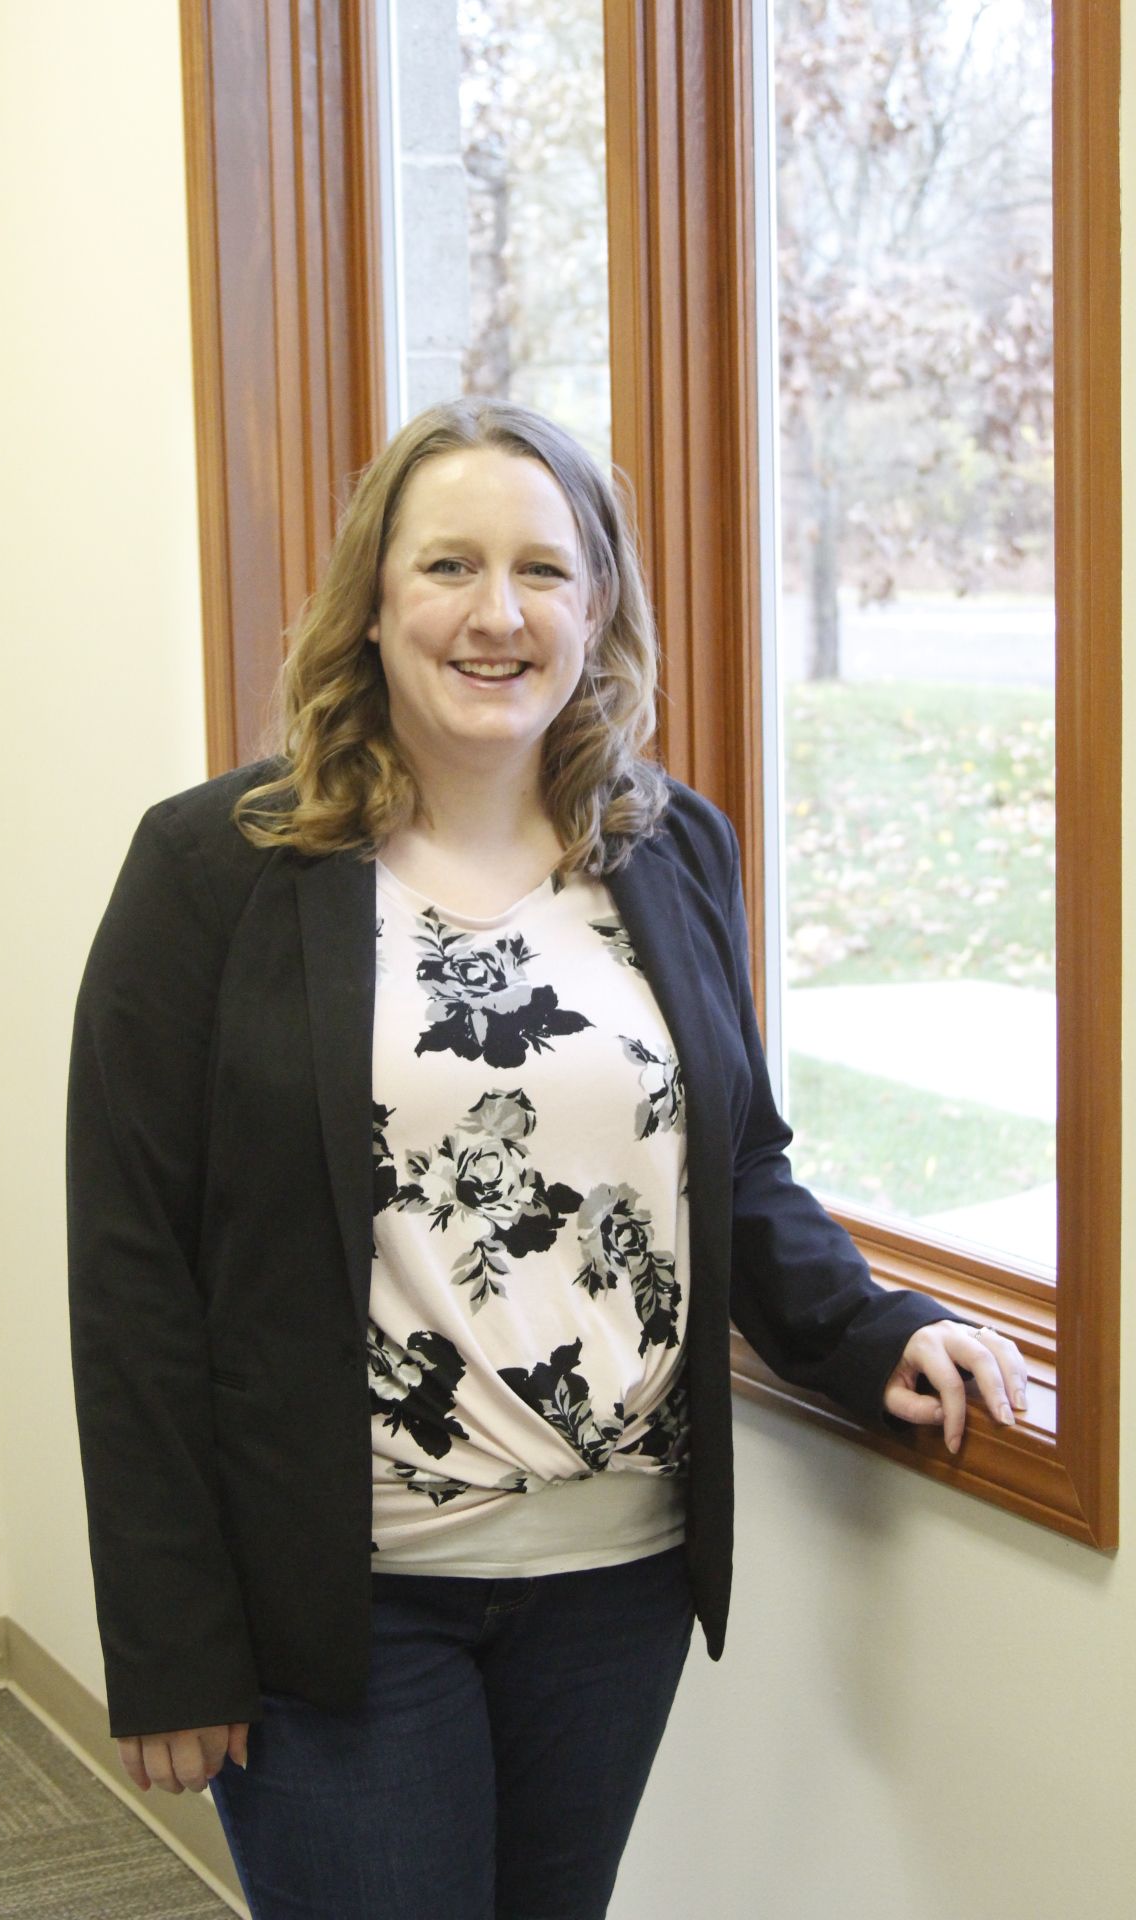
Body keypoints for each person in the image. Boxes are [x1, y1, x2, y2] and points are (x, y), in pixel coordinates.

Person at [66, 397, 1029, 1920]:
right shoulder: (215, 871)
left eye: (542, 571)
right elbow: (131, 1275)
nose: (496, 613)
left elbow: (739, 1163)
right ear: (372, 605)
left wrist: (876, 1330)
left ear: (598, 609)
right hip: (340, 1597)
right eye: (449, 565)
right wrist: (170, 1641)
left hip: (618, 1579)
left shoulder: (670, 847)